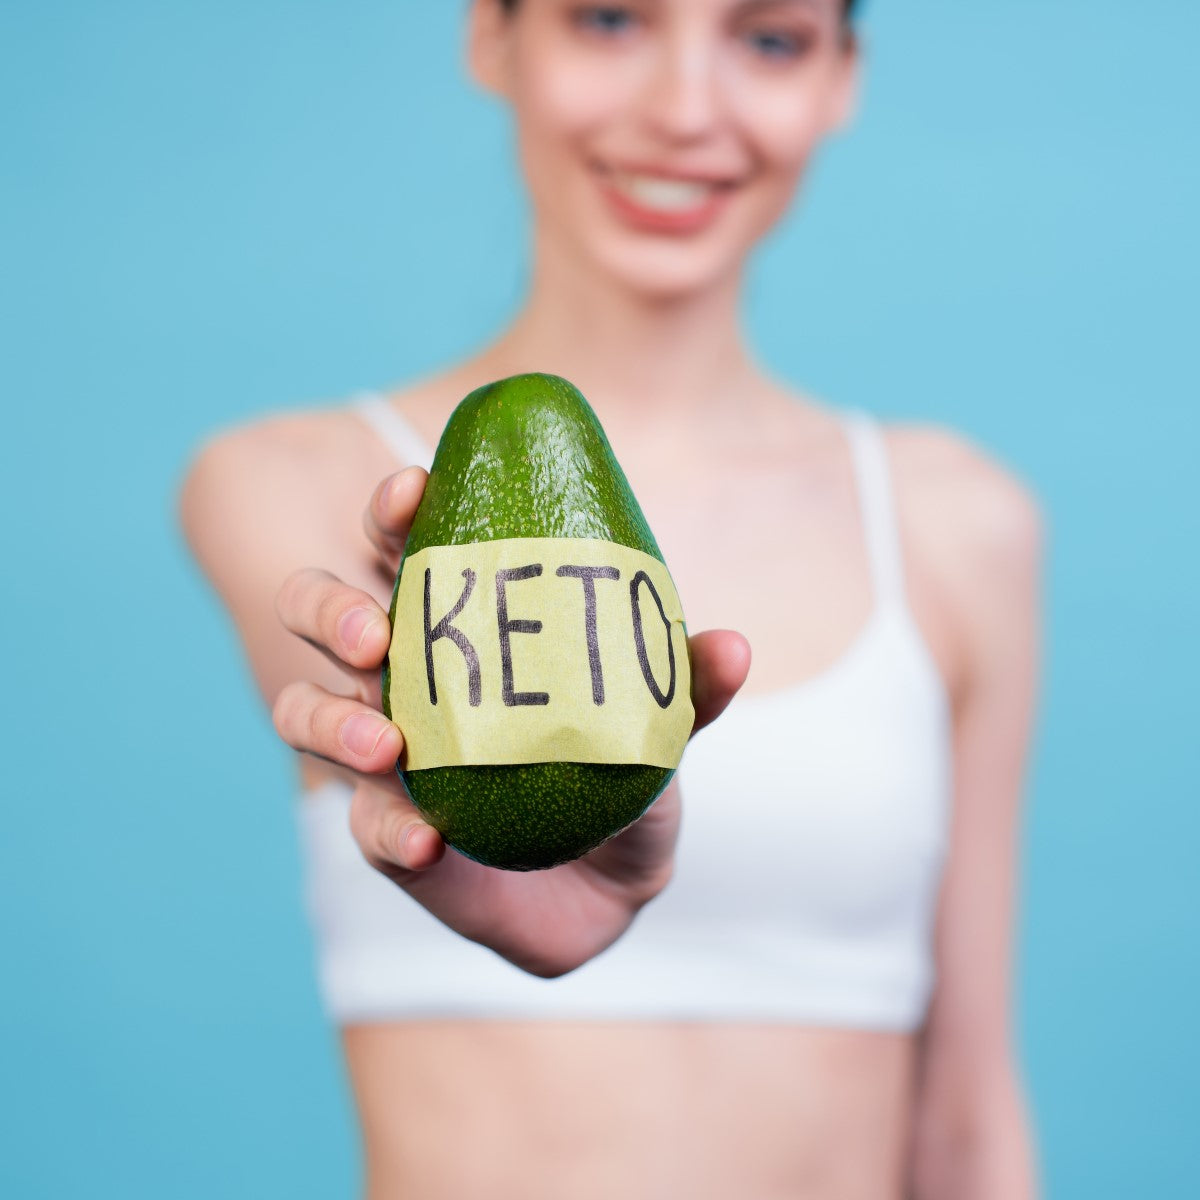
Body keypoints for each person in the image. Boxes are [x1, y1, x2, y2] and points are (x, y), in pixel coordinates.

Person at [180, 1, 1043, 1196]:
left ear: (844, 78)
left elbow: (968, 1117)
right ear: (492, 36)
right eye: (608, 19)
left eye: (772, 39)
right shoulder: (290, 487)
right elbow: (377, 749)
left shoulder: (962, 522)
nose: (686, 111)